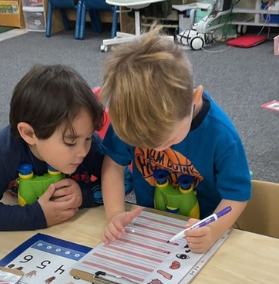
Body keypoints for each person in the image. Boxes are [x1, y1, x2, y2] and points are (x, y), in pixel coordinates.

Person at [99, 35, 252, 253]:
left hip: (201, 231)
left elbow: (236, 196)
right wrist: (114, 214)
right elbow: (114, 165)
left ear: (194, 98)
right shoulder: (130, 118)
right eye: (142, 144)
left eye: (168, 140)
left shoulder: (222, 136)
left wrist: (213, 231)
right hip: (151, 228)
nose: (159, 150)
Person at [0, 64, 107, 231]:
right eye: (70, 142)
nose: (83, 151)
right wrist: (37, 216)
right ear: (29, 134)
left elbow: (124, 181)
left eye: (88, 137)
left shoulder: (85, 138)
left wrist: (84, 196)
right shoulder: (3, 152)